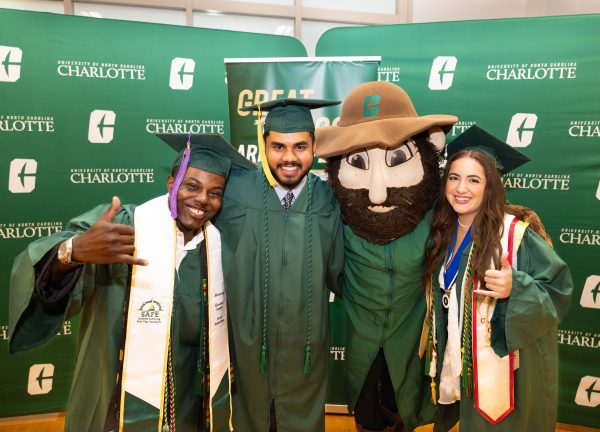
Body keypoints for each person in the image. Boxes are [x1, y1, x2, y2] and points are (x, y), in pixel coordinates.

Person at [8, 134, 255, 432]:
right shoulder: (126, 227)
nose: (203, 199)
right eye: (192, 186)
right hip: (114, 399)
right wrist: (72, 252)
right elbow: (42, 257)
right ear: (171, 183)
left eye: (215, 192)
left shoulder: (218, 249)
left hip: (186, 405)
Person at [315, 81, 458, 432]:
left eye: (397, 159)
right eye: (358, 162)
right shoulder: (336, 218)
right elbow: (330, 270)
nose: (377, 193)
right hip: (362, 328)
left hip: (411, 330)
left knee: (403, 395)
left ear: (431, 146)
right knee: (366, 399)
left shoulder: (437, 216)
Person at [421, 125, 573, 431]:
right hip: (460, 357)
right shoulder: (441, 232)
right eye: (454, 177)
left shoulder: (516, 236)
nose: (461, 188)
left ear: (491, 186)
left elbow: (558, 291)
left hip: (505, 369)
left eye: (474, 180)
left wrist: (516, 287)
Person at [214, 98, 345, 432]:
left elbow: (342, 273)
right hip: (245, 347)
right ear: (264, 145)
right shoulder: (234, 191)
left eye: (300, 146)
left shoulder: (330, 199)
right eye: (278, 147)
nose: (289, 157)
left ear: (314, 146)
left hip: (305, 349)